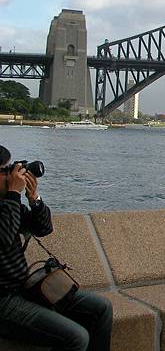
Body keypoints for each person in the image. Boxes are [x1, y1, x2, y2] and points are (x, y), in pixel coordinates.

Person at [0, 145, 113, 351]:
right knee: (77, 338)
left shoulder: (7, 202)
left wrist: (34, 199)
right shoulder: (9, 201)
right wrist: (14, 194)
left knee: (102, 308)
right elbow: (4, 237)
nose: (11, 175)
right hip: (4, 300)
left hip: (23, 288)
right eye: (6, 170)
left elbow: (43, 228)